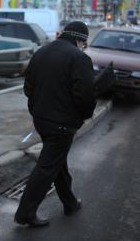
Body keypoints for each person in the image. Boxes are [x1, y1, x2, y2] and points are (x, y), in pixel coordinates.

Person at [14, 21, 96, 227]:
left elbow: (28, 88)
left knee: (57, 164)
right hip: (62, 125)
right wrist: (84, 115)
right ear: (80, 40)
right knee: (46, 168)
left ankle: (69, 202)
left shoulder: (42, 52)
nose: (84, 47)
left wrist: (36, 110)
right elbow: (85, 95)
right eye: (84, 44)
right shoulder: (79, 58)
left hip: (42, 121)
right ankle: (25, 213)